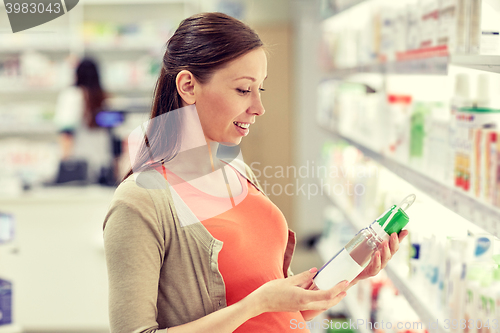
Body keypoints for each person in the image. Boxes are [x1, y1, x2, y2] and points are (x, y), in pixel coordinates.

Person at [103, 12, 408, 333]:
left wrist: (350, 272)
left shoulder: (238, 172)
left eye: (260, 89)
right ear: (188, 86)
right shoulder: (139, 202)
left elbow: (283, 310)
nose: (259, 107)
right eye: (243, 90)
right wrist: (256, 304)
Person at [54, 58, 113, 183]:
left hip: (78, 166)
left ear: (76, 74)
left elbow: (66, 132)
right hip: (103, 165)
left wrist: (64, 164)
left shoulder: (72, 96)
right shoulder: (103, 97)